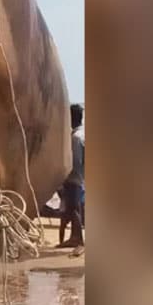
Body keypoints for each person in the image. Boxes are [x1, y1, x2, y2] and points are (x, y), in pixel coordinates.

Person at [57, 104, 85, 248]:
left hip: (74, 178)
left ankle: (77, 238)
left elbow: (75, 161)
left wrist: (64, 179)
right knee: (75, 208)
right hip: (81, 178)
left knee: (74, 209)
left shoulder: (75, 138)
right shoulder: (83, 134)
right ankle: (75, 236)